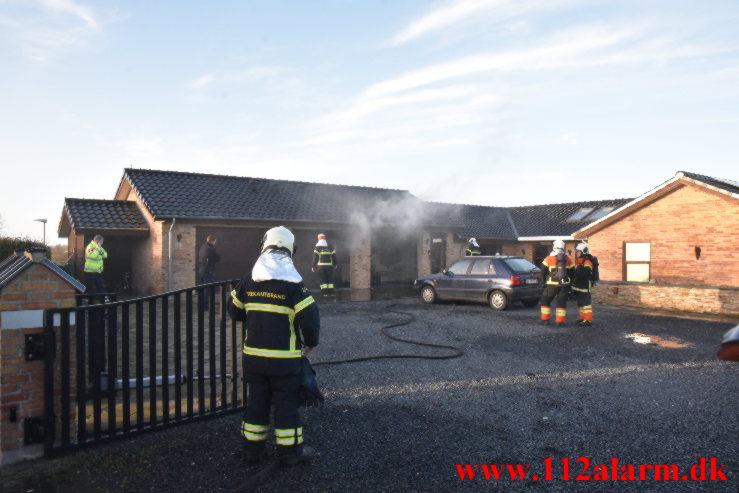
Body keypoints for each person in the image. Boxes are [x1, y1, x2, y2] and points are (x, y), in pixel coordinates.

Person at [228, 226, 320, 465]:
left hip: (254, 358)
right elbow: (310, 318)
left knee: (257, 401)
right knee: (286, 403)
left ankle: (252, 451)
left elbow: (234, 312)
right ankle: (289, 454)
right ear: (290, 249)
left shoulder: (248, 280)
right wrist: (311, 343)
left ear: (264, 245)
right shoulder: (294, 284)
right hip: (283, 360)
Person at [539, 239, 574, 326]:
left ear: (554, 246)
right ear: (563, 247)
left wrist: (543, 283)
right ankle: (560, 322)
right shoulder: (567, 259)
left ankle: (545, 320)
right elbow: (573, 272)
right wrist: (570, 283)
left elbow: (543, 271)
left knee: (545, 300)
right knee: (561, 302)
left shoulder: (549, 258)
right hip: (564, 285)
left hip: (551, 285)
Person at [572, 242, 595, 326]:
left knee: (586, 304)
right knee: (581, 303)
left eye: (578, 251)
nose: (577, 253)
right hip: (579, 286)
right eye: (577, 251)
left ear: (583, 252)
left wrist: (577, 271)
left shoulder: (587, 262)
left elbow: (586, 273)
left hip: (584, 286)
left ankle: (588, 320)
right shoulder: (579, 261)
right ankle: (583, 318)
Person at [197, 235, 221, 310]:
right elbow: (218, 258)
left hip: (201, 269)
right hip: (208, 270)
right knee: (206, 288)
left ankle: (201, 304)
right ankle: (205, 306)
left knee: (202, 288)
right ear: (212, 241)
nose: (215, 243)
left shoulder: (202, 247)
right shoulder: (211, 249)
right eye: (215, 241)